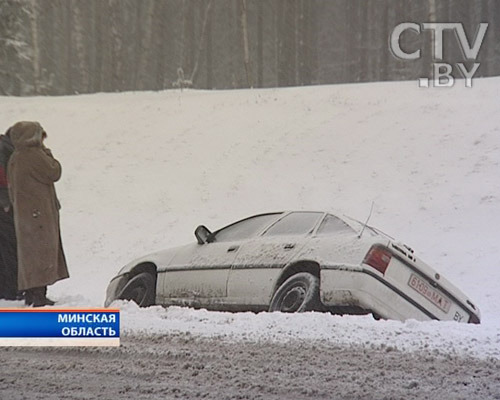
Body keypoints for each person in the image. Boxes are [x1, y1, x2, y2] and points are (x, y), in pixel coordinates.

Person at [7, 121, 69, 307]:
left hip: (25, 215)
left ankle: (32, 293)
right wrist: (47, 153)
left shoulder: (15, 157)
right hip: (39, 215)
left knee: (29, 255)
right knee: (42, 253)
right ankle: (40, 295)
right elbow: (54, 171)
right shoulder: (34, 155)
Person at [0, 127, 19, 300]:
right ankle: (10, 289)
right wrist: (6, 202)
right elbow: (3, 178)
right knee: (9, 247)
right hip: (4, 208)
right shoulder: (4, 148)